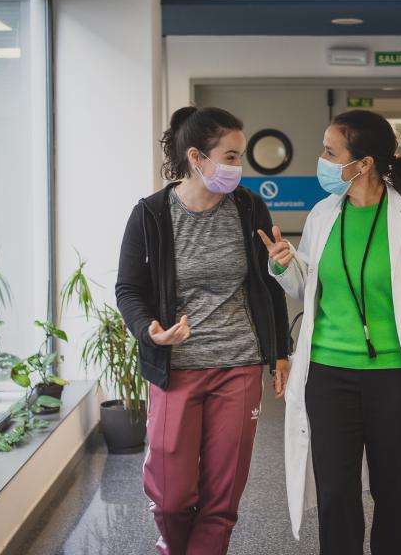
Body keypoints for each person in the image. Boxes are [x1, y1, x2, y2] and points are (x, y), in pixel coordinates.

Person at [257, 109, 401, 555]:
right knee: (336, 496)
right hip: (327, 374)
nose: (321, 159)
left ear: (364, 163)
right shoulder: (324, 214)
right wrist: (286, 264)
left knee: (396, 492)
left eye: (329, 151)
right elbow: (312, 286)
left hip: (396, 378)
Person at [116, 105, 291, 555]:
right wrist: (149, 329)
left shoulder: (249, 206)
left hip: (240, 364)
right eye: (230, 157)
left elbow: (266, 283)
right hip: (178, 367)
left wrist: (281, 351)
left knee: (222, 497)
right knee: (173, 499)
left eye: (240, 156)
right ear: (197, 157)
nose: (238, 167)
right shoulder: (151, 215)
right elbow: (128, 288)